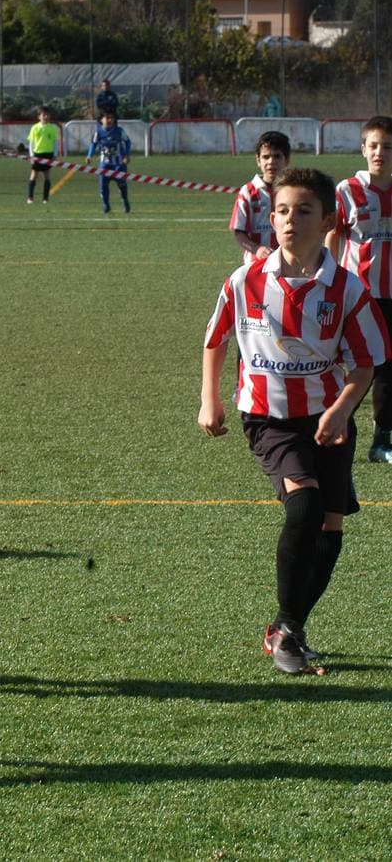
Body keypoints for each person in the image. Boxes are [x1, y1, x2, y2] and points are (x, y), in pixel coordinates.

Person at [199, 167, 389, 674]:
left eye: (303, 211)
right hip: (269, 417)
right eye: (281, 210)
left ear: (329, 221)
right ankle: (286, 628)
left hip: (328, 417)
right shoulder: (245, 280)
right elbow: (215, 339)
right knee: (302, 507)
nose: (288, 220)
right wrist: (209, 400)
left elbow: (367, 360)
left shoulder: (346, 289)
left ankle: (291, 627)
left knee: (330, 527)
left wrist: (343, 406)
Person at [326, 116, 392, 463]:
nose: (380, 152)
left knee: (387, 369)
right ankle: (339, 428)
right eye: (374, 145)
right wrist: (330, 280)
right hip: (356, 296)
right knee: (348, 364)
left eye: (388, 147)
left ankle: (382, 440)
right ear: (363, 149)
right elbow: (333, 235)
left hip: (391, 297)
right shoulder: (346, 190)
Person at [232, 131, 289, 263]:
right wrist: (256, 249)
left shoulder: (292, 191)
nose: (271, 162)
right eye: (266, 157)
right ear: (258, 160)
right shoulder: (248, 192)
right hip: (255, 262)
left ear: (286, 160)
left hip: (288, 262)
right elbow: (239, 232)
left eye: (277, 156)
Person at [86, 109, 131, 214]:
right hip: (105, 164)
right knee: (103, 185)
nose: (109, 120)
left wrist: (126, 155)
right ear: (101, 120)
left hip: (119, 163)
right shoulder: (98, 132)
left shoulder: (119, 131)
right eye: (107, 118)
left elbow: (128, 142)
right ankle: (106, 205)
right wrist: (89, 155)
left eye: (111, 118)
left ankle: (125, 201)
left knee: (122, 184)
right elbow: (93, 144)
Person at [25, 106, 59, 205]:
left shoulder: (52, 128)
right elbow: (31, 142)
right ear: (39, 117)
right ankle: (30, 197)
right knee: (34, 174)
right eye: (43, 115)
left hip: (48, 154)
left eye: (47, 115)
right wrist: (31, 155)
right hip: (37, 154)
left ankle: (45, 198)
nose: (45, 116)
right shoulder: (35, 128)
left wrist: (55, 154)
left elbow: (55, 142)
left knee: (47, 176)